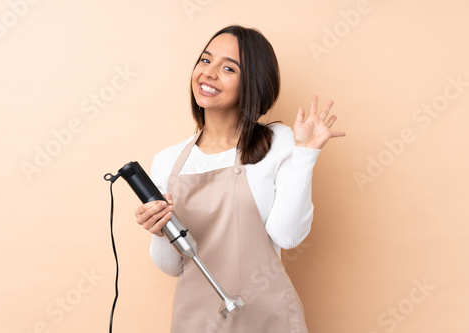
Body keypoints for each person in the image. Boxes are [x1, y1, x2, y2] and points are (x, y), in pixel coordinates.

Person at [134, 25, 345, 333]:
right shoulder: (168, 160)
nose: (209, 73)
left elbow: (287, 236)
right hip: (198, 322)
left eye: (228, 67)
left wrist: (306, 155)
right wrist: (158, 229)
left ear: (252, 83)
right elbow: (173, 266)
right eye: (205, 61)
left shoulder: (278, 141)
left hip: (268, 320)